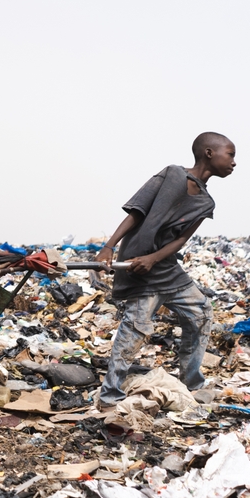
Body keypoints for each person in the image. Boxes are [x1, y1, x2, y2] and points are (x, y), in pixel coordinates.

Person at [94, 133, 236, 409]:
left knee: (201, 313)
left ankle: (191, 382)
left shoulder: (207, 203)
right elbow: (137, 212)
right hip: (138, 269)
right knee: (135, 330)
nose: (234, 162)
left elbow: (181, 240)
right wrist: (109, 246)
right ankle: (109, 396)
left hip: (166, 269)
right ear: (209, 153)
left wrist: (155, 258)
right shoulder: (171, 175)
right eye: (230, 154)